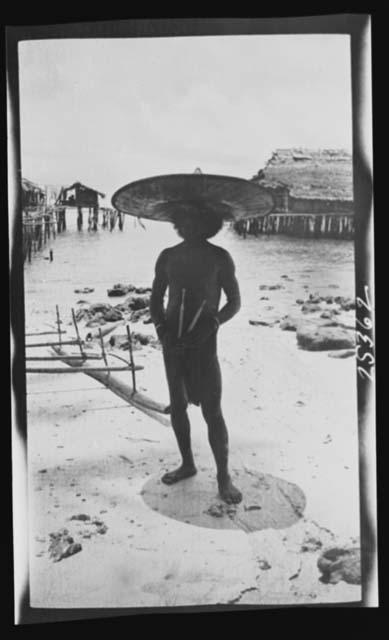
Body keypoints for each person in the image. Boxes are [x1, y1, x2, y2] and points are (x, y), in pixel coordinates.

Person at [150, 201, 242, 504]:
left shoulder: (219, 258)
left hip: (204, 345)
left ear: (208, 225)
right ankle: (187, 464)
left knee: (212, 410)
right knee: (178, 405)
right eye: (185, 221)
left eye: (197, 221)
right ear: (178, 223)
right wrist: (163, 332)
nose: (190, 227)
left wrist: (213, 323)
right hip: (172, 344)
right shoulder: (167, 256)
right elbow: (155, 301)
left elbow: (234, 302)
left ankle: (223, 476)